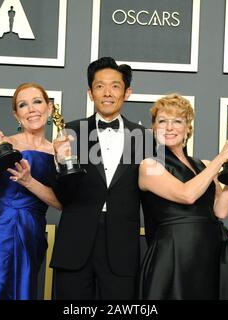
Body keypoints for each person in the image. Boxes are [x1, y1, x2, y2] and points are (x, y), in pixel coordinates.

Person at [50, 57, 152, 299]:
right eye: (100, 86)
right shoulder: (70, 131)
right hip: (75, 242)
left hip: (122, 246)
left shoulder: (145, 137)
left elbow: (152, 195)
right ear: (90, 92)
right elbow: (62, 196)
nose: (107, 93)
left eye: (115, 86)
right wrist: (59, 163)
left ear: (127, 93)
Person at [138, 93, 228, 300]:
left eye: (177, 121)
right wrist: (221, 158)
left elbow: (220, 210)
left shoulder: (203, 165)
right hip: (174, 254)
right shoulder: (149, 165)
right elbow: (186, 194)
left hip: (208, 252)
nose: (169, 127)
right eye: (162, 121)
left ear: (188, 128)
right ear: (153, 128)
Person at [0, 83, 62, 300]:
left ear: (48, 108)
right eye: (23, 105)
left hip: (31, 233)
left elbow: (60, 203)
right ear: (16, 115)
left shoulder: (59, 151)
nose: (31, 109)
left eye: (37, 101)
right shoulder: (6, 145)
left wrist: (28, 182)